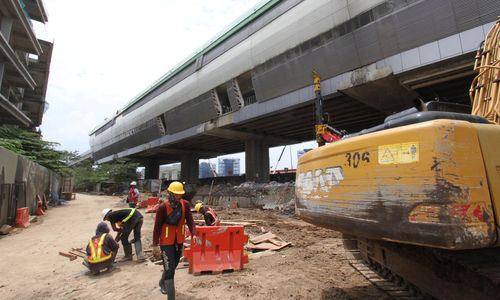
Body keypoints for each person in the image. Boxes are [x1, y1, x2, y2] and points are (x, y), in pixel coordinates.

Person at [153, 181, 199, 298]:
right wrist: (155, 245)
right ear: (170, 194)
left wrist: (194, 233)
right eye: (176, 194)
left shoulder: (185, 205)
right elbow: (157, 226)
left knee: (173, 265)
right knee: (169, 269)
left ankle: (162, 282)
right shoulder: (163, 207)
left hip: (179, 241)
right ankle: (171, 296)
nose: (179, 196)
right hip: (166, 242)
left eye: (180, 194)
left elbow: (190, 221)